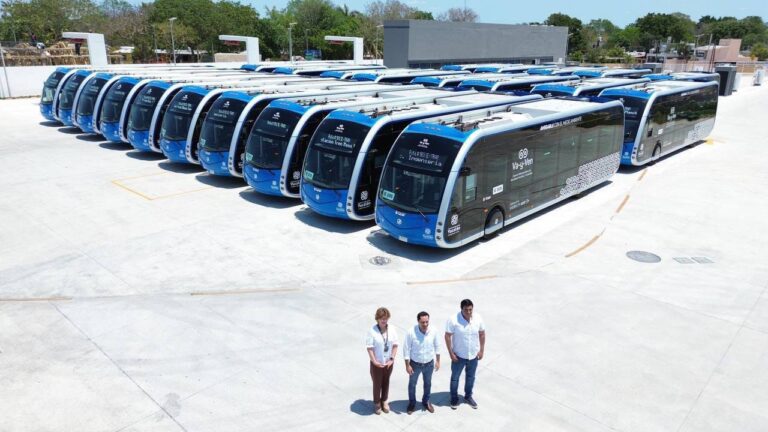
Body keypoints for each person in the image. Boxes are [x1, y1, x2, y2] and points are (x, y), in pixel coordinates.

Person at [445, 299, 486, 409]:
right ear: (461, 309)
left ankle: (468, 396)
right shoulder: (453, 320)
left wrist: (481, 350)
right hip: (458, 356)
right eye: (466, 310)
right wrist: (451, 353)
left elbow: (482, 334)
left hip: (473, 356)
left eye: (470, 309)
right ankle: (454, 398)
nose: (468, 312)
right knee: (455, 378)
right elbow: (447, 336)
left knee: (471, 377)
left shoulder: (478, 318)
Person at [403, 311, 440, 414]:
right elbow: (406, 349)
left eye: (427, 322)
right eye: (422, 322)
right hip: (415, 364)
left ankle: (426, 401)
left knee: (428, 384)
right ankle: (412, 403)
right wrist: (407, 365)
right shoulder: (411, 332)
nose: (425, 324)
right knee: (412, 384)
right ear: (418, 321)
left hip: (429, 364)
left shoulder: (433, 331)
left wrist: (438, 361)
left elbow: (437, 345)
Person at [365, 307, 398, 415]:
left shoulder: (392, 329)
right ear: (377, 319)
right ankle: (377, 403)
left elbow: (395, 345)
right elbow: (369, 348)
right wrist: (374, 361)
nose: (384, 321)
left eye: (386, 318)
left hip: (388, 363)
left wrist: (392, 359)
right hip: (377, 363)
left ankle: (384, 401)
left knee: (386, 382)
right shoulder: (372, 331)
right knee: (377, 384)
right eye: (381, 318)